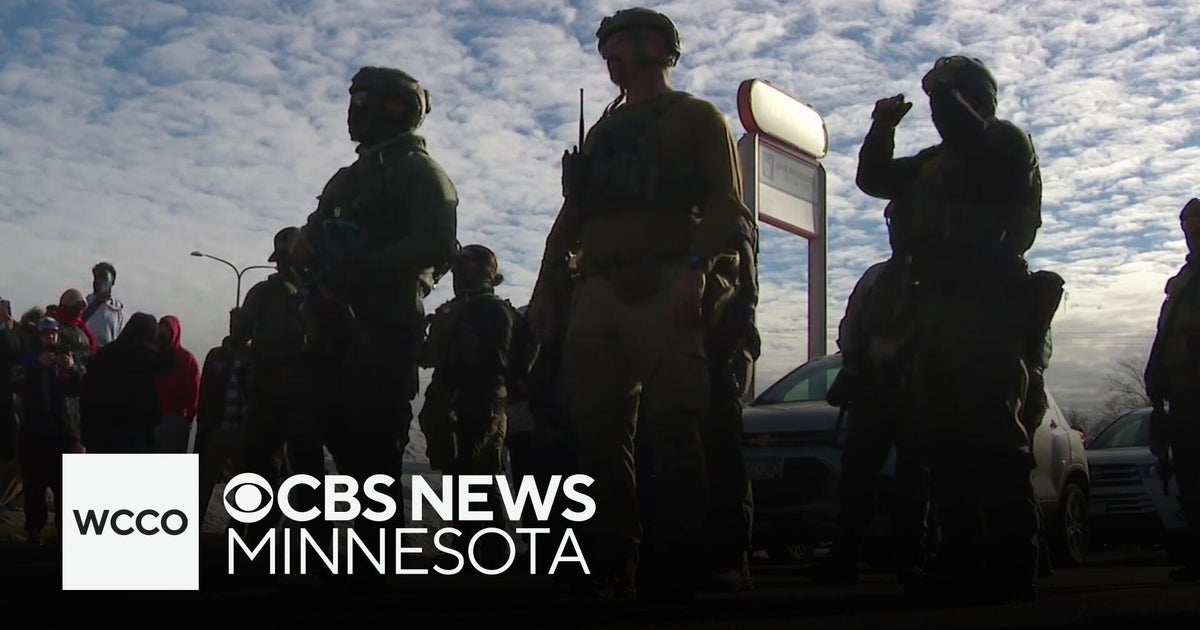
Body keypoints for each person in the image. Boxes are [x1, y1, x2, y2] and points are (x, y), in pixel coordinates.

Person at [526, 7, 752, 601]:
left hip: (665, 284)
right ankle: (612, 561)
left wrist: (696, 272)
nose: (609, 56)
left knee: (677, 429)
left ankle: (680, 564)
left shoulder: (695, 117)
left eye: (619, 44)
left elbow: (727, 204)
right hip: (597, 290)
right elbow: (573, 217)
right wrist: (545, 287)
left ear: (655, 46)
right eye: (606, 47)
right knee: (597, 434)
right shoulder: (603, 130)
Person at [856, 55, 1044, 604]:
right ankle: (958, 560)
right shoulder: (934, 162)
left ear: (975, 98)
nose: (942, 105)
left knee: (993, 436)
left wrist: (941, 92)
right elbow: (875, 179)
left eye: (953, 94)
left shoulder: (1005, 144)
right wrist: (882, 128)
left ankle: (1012, 564)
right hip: (932, 306)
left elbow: (968, 131)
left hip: (987, 303)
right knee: (943, 441)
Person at [289, 65, 458, 579]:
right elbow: (311, 237)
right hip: (331, 324)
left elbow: (437, 244)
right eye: (352, 99)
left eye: (363, 100)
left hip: (384, 326)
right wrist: (307, 245)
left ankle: (374, 567)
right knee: (311, 435)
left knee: (373, 451)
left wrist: (367, 264)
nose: (353, 110)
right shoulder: (349, 176)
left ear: (395, 109)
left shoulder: (417, 171)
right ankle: (315, 555)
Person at [809, 206, 928, 586]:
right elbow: (851, 327)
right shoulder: (881, 277)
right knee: (868, 475)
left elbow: (850, 327)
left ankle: (904, 556)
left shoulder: (920, 278)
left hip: (911, 389)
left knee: (907, 476)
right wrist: (858, 364)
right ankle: (857, 555)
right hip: (883, 389)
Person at [418, 244, 516, 560]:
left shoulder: (494, 309)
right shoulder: (451, 310)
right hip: (450, 401)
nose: (459, 274)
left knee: (481, 473)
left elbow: (505, 363)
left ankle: (491, 552)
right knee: (458, 475)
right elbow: (429, 357)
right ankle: (467, 546)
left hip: (483, 401)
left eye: (466, 267)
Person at [230, 227, 326, 542]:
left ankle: (255, 542)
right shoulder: (321, 292)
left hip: (269, 392)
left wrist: (237, 330)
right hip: (307, 395)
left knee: (260, 470)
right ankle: (315, 546)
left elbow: (238, 337)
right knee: (308, 475)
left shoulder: (264, 292)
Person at [1145, 197, 1200, 582]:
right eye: (1187, 226)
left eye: (1197, 224)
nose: (1192, 232)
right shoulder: (1183, 280)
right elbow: (1165, 331)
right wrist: (1154, 371)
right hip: (1182, 391)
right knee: (1191, 476)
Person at [16, 317, 86, 544]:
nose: (51, 337)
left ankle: (65, 532)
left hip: (62, 433)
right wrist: (37, 365)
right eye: (46, 333)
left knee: (64, 487)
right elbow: (15, 381)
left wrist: (73, 368)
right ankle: (34, 530)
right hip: (34, 433)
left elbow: (82, 388)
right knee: (34, 486)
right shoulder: (28, 358)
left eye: (54, 333)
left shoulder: (67, 356)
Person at [80, 312, 174, 454]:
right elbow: (170, 365)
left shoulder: (105, 353)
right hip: (137, 433)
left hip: (101, 432)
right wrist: (163, 341)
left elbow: (87, 390)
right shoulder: (149, 356)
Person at [154, 315, 201, 453]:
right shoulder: (187, 359)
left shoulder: (186, 359)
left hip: (168, 420)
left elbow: (194, 391)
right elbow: (194, 391)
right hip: (170, 420)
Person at [84, 262, 125, 348]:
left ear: (112, 282)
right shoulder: (85, 303)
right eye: (97, 278)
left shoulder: (117, 308)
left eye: (104, 278)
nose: (99, 282)